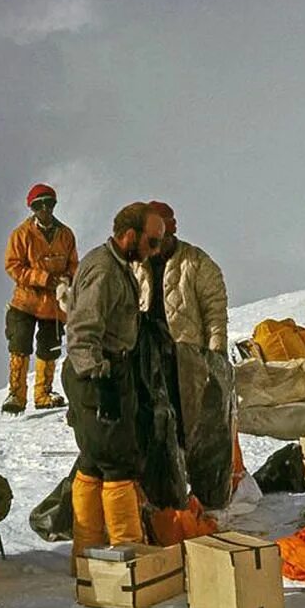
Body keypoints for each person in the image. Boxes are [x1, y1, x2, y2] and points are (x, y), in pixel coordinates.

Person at [61, 202, 166, 554]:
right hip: (97, 375)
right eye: (152, 242)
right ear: (130, 235)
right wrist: (99, 380)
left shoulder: (117, 266)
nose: (154, 251)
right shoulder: (105, 272)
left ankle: (87, 552)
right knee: (117, 462)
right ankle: (128, 550)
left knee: (93, 460)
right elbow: (81, 332)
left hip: (108, 371)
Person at [133, 201, 234, 509]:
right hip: (148, 357)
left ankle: (205, 495)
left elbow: (214, 310)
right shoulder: (136, 263)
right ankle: (163, 492)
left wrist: (215, 355)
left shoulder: (196, 262)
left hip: (187, 359)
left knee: (195, 426)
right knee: (155, 425)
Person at [2, 183, 78, 414]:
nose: (45, 209)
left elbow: (74, 264)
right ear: (32, 208)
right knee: (20, 345)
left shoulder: (65, 234)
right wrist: (44, 278)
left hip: (54, 304)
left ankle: (43, 393)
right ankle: (16, 394)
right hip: (26, 301)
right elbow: (13, 266)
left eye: (49, 203)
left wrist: (67, 279)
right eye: (39, 205)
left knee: (49, 348)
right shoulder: (21, 235)